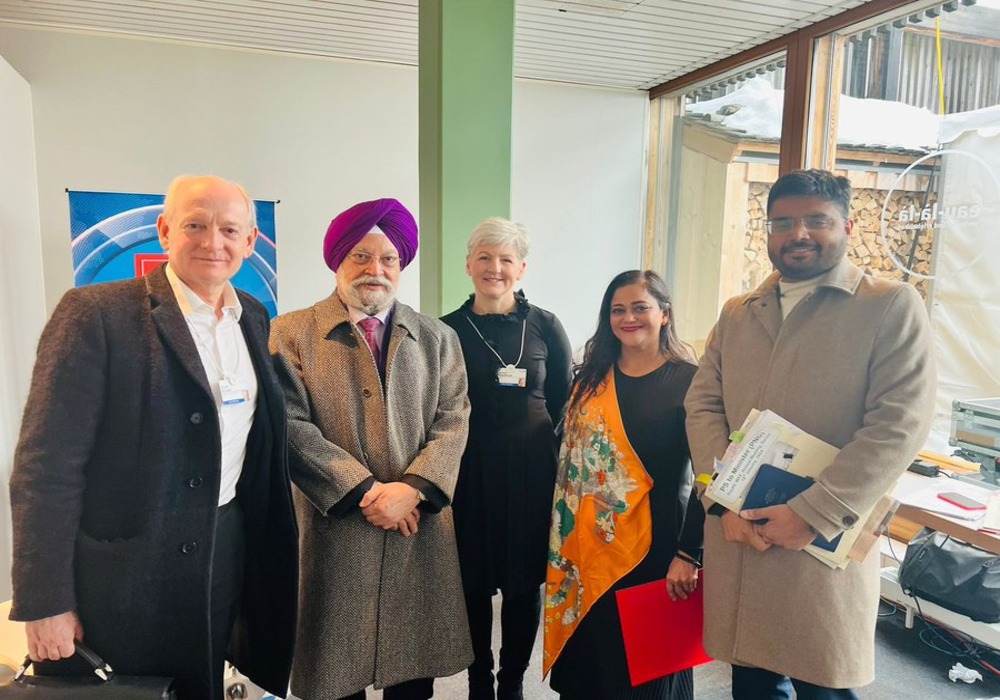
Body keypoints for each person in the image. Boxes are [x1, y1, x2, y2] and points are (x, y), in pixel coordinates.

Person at [8, 175, 299, 699]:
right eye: (196, 225)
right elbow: (45, 468)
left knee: (203, 684)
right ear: (164, 231)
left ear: (251, 242)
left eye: (231, 229)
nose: (214, 242)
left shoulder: (253, 317)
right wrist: (46, 599)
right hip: (123, 578)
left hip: (224, 551)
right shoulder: (95, 313)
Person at [685, 169, 936, 699]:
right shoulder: (738, 312)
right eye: (783, 222)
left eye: (815, 221)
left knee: (823, 683)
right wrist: (720, 500)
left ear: (845, 225)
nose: (798, 233)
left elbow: (900, 424)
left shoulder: (889, 306)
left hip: (822, 540)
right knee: (752, 682)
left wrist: (812, 515)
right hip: (741, 532)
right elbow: (703, 405)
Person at [269, 197, 473, 700]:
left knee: (412, 677)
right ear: (338, 260)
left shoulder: (438, 338)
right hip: (334, 527)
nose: (375, 270)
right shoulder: (290, 334)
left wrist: (412, 491)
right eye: (360, 256)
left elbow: (454, 419)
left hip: (416, 524)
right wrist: (366, 491)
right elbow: (288, 425)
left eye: (388, 259)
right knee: (335, 676)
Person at [544, 269, 705, 700]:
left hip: (655, 553)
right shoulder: (590, 378)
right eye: (618, 310)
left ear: (664, 315)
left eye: (640, 307)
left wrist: (689, 555)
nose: (628, 318)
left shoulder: (692, 382)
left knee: (648, 676)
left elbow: (712, 478)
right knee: (586, 674)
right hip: (586, 551)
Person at [441, 217, 573, 700]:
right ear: (468, 264)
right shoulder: (446, 330)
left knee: (522, 585)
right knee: (472, 585)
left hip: (532, 472)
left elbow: (564, 399)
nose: (494, 268)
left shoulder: (545, 325)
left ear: (521, 268)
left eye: (505, 260)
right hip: (468, 471)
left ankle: (511, 681)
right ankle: (479, 680)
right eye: (484, 257)